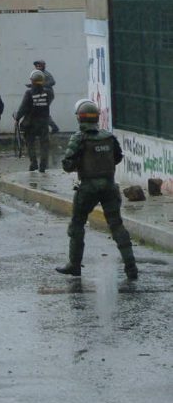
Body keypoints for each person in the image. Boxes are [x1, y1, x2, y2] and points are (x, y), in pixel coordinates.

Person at [55, 100, 137, 279]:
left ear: (80, 117)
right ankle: (131, 267)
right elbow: (118, 157)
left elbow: (67, 165)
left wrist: (79, 164)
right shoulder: (108, 136)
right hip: (109, 186)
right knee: (117, 226)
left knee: (77, 224)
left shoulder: (79, 137)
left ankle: (74, 265)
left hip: (88, 188)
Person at [15, 70, 54, 172]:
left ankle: (33, 163)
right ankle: (43, 166)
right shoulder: (48, 92)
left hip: (31, 123)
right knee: (44, 144)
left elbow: (23, 108)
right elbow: (48, 102)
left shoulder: (29, 93)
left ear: (32, 80)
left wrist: (17, 117)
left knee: (30, 143)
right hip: (44, 122)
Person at [34, 59, 60, 134]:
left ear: (43, 66)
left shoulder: (46, 73)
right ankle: (52, 127)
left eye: (39, 66)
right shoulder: (38, 74)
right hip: (42, 94)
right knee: (41, 111)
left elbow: (52, 82)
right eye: (36, 66)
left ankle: (52, 128)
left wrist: (42, 84)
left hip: (47, 94)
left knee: (42, 111)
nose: (38, 67)